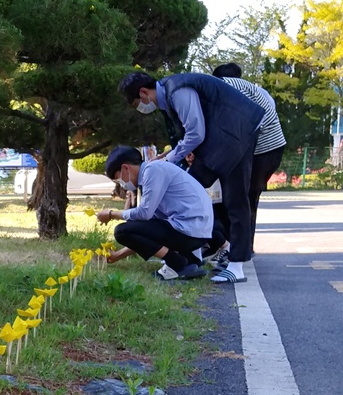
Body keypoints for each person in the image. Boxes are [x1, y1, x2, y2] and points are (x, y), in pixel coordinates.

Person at [118, 70, 265, 283]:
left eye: (136, 104)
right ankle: (193, 257)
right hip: (222, 137)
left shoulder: (177, 90)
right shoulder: (170, 93)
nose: (140, 109)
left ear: (143, 92)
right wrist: (168, 155)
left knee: (236, 200)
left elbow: (196, 132)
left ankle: (235, 264)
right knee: (191, 189)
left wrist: (168, 161)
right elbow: (190, 134)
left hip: (236, 136)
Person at [97, 145, 225, 281]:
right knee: (134, 227)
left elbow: (144, 213)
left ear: (125, 168)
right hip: (195, 232)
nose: (121, 184)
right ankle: (187, 262)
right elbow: (147, 232)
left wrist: (111, 214)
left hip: (189, 230)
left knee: (122, 231)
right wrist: (118, 255)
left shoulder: (152, 171)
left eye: (118, 179)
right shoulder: (153, 173)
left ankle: (176, 264)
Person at [212, 63, 286, 253]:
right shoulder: (255, 90)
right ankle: (243, 245)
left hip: (258, 148)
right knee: (249, 197)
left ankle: (236, 246)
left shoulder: (223, 86)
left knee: (238, 197)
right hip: (273, 147)